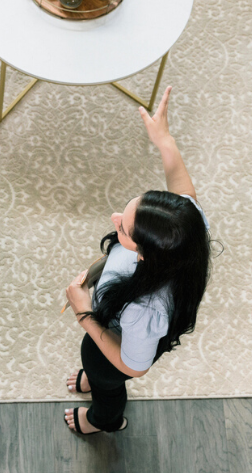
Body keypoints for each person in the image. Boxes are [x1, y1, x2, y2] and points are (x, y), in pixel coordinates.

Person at [62, 86, 212, 434]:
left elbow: (134, 366)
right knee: (95, 373)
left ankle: (104, 420)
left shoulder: (146, 310)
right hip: (112, 324)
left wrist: (84, 313)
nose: (115, 218)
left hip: (113, 354)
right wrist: (165, 141)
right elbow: (185, 194)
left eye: (124, 229)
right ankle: (91, 382)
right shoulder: (186, 227)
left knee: (107, 383)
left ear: (145, 254)